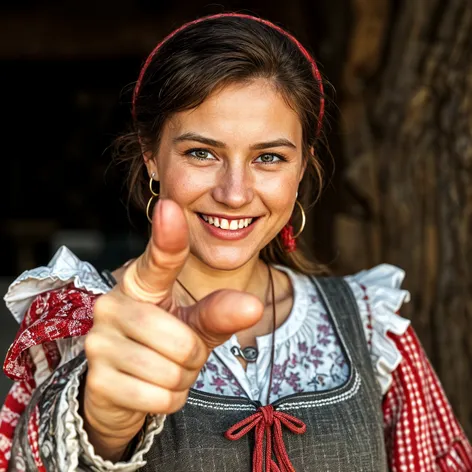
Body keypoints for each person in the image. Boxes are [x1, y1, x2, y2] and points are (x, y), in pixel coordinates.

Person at [1, 12, 471, 472]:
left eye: (268, 157)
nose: (235, 193)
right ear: (151, 158)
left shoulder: (371, 323)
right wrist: (102, 425)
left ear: (302, 169)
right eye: (201, 153)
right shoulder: (82, 317)